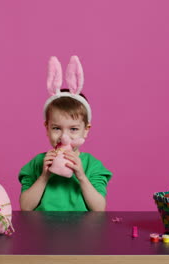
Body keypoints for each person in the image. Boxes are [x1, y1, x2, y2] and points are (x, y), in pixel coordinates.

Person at [19, 56, 113, 211]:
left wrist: (81, 176)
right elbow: (25, 207)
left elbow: (99, 209)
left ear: (86, 130)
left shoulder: (93, 166)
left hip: (81, 232)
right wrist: (44, 177)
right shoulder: (37, 164)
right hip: (42, 231)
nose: (64, 137)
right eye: (56, 128)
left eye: (73, 129)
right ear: (47, 128)